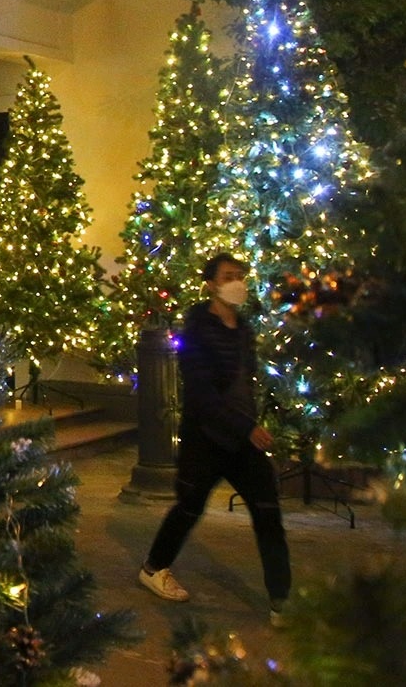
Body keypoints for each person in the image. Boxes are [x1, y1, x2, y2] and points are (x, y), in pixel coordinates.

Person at [137, 253, 291, 624]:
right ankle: (154, 567)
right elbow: (203, 395)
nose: (236, 281)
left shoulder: (244, 328)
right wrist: (246, 427)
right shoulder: (197, 330)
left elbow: (244, 384)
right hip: (206, 438)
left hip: (241, 439)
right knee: (189, 506)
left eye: (240, 275)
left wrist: (249, 423)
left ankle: (281, 600)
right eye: (228, 276)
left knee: (268, 512)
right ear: (211, 284)